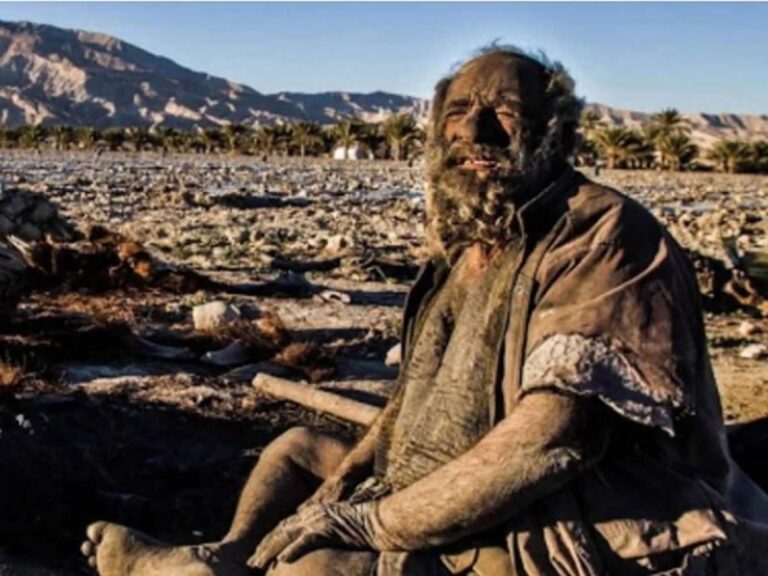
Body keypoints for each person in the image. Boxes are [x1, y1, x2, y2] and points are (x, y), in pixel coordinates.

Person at [82, 46, 768, 576]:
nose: (476, 128)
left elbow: (552, 440)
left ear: (554, 131)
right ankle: (229, 557)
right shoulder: (466, 247)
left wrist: (369, 524)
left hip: (578, 511)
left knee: (318, 565)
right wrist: (354, 478)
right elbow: (417, 399)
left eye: (505, 110)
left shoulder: (604, 233)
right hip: (444, 480)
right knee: (297, 454)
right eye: (458, 111)